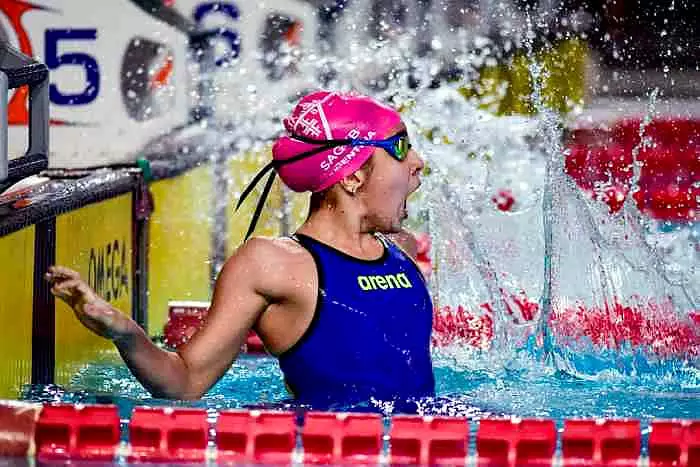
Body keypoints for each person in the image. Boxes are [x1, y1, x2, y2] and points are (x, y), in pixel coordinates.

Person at [46, 90, 434, 409]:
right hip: (329, 449)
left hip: (426, 444)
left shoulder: (401, 247)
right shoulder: (272, 265)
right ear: (351, 175)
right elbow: (186, 383)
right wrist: (125, 332)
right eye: (400, 147)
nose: (417, 163)